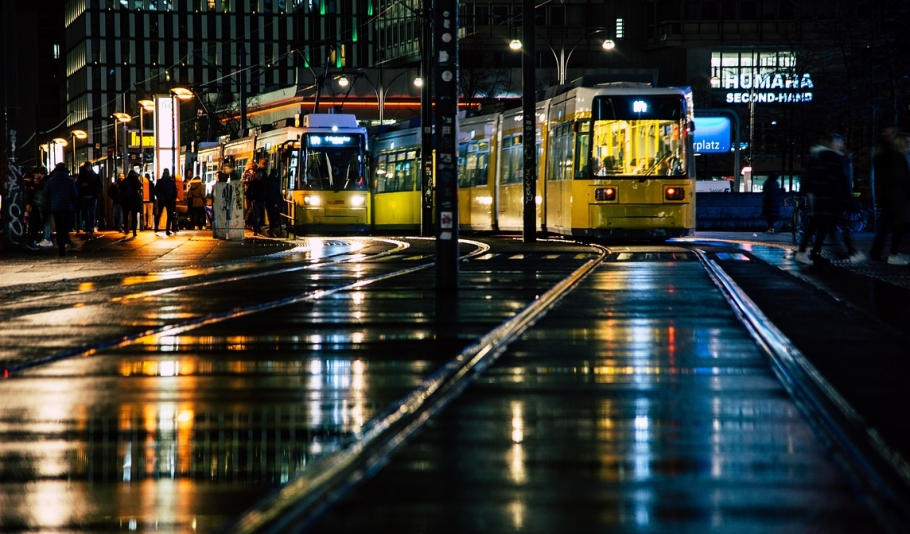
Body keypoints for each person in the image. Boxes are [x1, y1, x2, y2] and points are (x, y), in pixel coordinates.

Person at [794, 133, 865, 265]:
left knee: (818, 226)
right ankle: (851, 253)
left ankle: (809, 252)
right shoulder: (832, 158)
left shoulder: (818, 156)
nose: (842, 144)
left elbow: (811, 179)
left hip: (821, 198)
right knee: (835, 225)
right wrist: (847, 199)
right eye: (839, 142)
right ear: (832, 143)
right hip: (830, 199)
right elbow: (839, 181)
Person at [869, 132, 910, 265]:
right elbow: (903, 178)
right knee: (897, 227)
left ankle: (889, 253)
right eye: (906, 141)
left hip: (894, 198)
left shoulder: (897, 157)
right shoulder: (898, 157)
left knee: (892, 227)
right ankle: (893, 255)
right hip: (897, 198)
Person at [42, 162, 79, 257]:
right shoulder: (70, 181)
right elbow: (75, 195)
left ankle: (60, 247)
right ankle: (65, 241)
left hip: (55, 207)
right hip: (67, 207)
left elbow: (45, 193)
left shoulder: (51, 181)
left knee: (59, 227)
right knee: (65, 227)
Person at [76, 162, 100, 234]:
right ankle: (89, 227)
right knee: (88, 212)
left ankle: (90, 227)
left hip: (89, 196)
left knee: (89, 212)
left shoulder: (84, 176)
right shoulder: (94, 175)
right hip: (88, 196)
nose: (88, 168)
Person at [155, 168, 178, 236]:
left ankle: (156, 228)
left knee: (159, 214)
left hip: (162, 200)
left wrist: (160, 197)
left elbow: (156, 191)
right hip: (169, 200)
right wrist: (173, 198)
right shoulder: (171, 182)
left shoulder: (159, 181)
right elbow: (175, 191)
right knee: (169, 215)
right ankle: (167, 230)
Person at [120, 170, 143, 237]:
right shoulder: (136, 180)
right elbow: (139, 186)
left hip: (126, 200)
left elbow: (120, 187)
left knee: (125, 215)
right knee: (134, 216)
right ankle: (134, 231)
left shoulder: (125, 180)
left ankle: (126, 228)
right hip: (134, 200)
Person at [246, 161, 265, 234]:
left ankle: (258, 227)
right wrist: (252, 199)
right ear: (256, 174)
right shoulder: (253, 182)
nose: (259, 175)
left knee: (262, 216)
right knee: (256, 215)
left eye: (261, 174)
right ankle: (256, 229)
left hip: (262, 201)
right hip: (255, 201)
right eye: (258, 174)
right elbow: (248, 193)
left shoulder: (263, 182)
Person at [263, 168, 282, 237]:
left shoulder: (271, 180)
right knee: (274, 217)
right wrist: (274, 203)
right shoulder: (272, 181)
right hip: (273, 203)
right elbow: (272, 193)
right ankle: (271, 231)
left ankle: (271, 230)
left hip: (271, 202)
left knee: (273, 217)